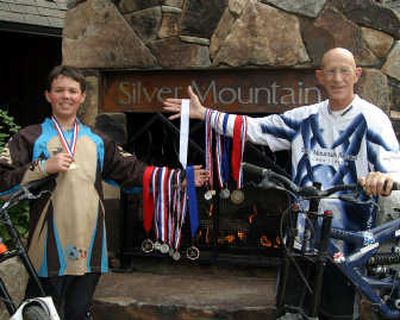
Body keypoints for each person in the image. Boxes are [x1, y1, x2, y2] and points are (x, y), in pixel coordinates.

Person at [163, 47, 400, 319]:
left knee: (337, 313)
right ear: (319, 77)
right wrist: (205, 114)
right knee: (291, 309)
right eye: (331, 71)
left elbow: (393, 164)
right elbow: (254, 128)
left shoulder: (372, 119)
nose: (337, 79)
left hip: (345, 242)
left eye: (344, 71)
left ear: (356, 74)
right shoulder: (304, 118)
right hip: (301, 234)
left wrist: (385, 178)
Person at [0, 65, 207, 320]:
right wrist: (42, 167)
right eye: (59, 90)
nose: (66, 96)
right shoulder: (29, 137)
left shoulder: (97, 140)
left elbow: (131, 172)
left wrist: (179, 178)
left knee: (78, 313)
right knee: (39, 315)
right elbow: (3, 184)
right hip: (47, 251)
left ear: (83, 97)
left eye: (73, 91)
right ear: (48, 95)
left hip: (90, 247)